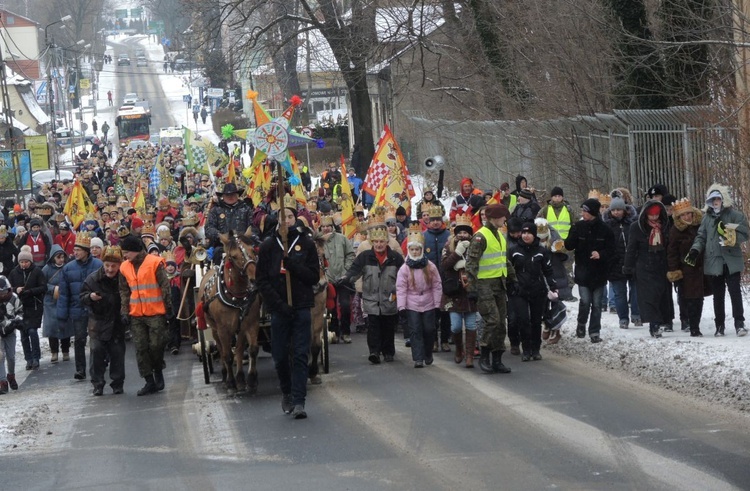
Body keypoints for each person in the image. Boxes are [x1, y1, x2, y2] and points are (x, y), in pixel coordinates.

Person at [256, 199, 320, 419]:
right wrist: (279, 305)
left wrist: (295, 266)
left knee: (301, 354)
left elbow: (313, 276)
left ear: (296, 219)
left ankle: (299, 400)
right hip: (279, 308)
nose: (286, 221)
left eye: (290, 217)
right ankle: (287, 391)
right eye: (282, 217)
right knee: (280, 356)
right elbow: (261, 281)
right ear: (276, 220)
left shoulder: (306, 243)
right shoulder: (267, 246)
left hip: (301, 305)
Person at [687, 183, 749, 336]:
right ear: (709, 201)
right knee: (718, 295)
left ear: (723, 200)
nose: (715, 203)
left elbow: (745, 232)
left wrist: (733, 238)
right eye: (712, 200)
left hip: (731, 260)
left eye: (718, 199)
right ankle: (719, 325)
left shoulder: (735, 215)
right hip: (714, 261)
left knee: (735, 292)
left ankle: (739, 323)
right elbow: (701, 237)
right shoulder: (706, 218)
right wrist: (695, 250)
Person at [341, 222, 404, 365]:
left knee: (388, 325)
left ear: (387, 242)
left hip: (390, 297)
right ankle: (374, 352)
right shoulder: (364, 256)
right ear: (372, 242)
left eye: (382, 242)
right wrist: (346, 279)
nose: (379, 244)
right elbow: (354, 271)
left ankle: (388, 351)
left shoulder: (395, 258)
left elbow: (403, 276)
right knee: (373, 326)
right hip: (371, 297)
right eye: (376, 242)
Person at [465, 203, 516, 373]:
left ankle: (497, 359)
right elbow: (471, 263)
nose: (505, 219)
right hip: (483, 285)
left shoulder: (500, 236)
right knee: (492, 320)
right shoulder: (480, 236)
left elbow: (504, 260)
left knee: (501, 323)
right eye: (503, 216)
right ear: (494, 218)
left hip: (499, 284)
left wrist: (512, 279)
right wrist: (472, 288)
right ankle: (485, 353)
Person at [119, 235, 172, 396]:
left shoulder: (154, 263)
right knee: (141, 348)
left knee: (156, 345)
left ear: (135, 250)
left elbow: (164, 286)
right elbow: (124, 291)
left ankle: (157, 370)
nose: (125, 255)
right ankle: (149, 381)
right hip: (136, 314)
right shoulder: (124, 267)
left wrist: (168, 308)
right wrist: (124, 311)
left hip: (155, 312)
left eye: (127, 252)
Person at [564, 198, 615, 343]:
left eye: (585, 211)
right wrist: (572, 232)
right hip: (583, 271)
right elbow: (568, 245)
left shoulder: (605, 229)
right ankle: (581, 324)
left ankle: (594, 331)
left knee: (597, 304)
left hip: (599, 273)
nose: (583, 214)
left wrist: (601, 254)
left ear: (592, 212)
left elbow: (612, 250)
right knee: (585, 301)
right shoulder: (578, 226)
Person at [507, 222, 557, 361]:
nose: (526, 235)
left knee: (536, 321)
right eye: (523, 233)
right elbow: (508, 270)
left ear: (534, 234)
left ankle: (536, 349)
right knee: (523, 320)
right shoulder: (514, 250)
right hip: (519, 290)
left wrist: (553, 286)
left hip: (537, 290)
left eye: (529, 233)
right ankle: (526, 349)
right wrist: (511, 286)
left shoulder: (542, 251)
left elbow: (548, 270)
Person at [81, 246, 127, 395]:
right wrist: (90, 297)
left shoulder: (123, 279)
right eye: (107, 265)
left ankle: (117, 383)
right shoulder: (93, 279)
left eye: (114, 266)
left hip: (116, 323)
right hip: (98, 323)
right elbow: (82, 296)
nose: (110, 269)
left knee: (117, 354)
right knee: (96, 352)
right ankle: (97, 384)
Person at [623, 201, 672, 338]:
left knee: (661, 295)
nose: (654, 218)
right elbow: (631, 249)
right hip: (644, 266)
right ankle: (654, 324)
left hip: (661, 266)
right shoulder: (637, 228)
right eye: (651, 215)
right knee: (649, 297)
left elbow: (670, 247)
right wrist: (628, 267)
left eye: (656, 215)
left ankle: (662, 321)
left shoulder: (665, 227)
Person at [57, 234, 102, 380]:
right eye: (74, 250)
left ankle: (100, 364)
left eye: (78, 250)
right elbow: (64, 294)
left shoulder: (98, 265)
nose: (75, 252)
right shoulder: (68, 268)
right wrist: (62, 315)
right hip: (77, 309)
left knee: (98, 340)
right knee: (79, 340)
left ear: (86, 251)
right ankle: (80, 369)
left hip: (96, 308)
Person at [397, 224, 442, 368]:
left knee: (429, 329)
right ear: (408, 250)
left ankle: (428, 353)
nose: (415, 252)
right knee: (415, 330)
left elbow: (436, 285)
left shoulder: (430, 266)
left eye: (417, 249)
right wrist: (402, 306)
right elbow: (401, 288)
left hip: (428, 301)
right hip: (412, 303)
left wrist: (437, 304)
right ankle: (418, 357)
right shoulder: (405, 268)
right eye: (412, 249)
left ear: (421, 250)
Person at [667, 199, 710, 337]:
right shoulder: (675, 230)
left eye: (688, 214)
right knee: (690, 298)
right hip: (686, 269)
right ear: (679, 217)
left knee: (700, 298)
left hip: (702, 266)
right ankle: (693, 326)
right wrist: (675, 271)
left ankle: (695, 323)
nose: (687, 217)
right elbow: (672, 252)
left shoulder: (700, 225)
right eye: (683, 215)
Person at [440, 214, 479, 368]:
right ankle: (459, 350)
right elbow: (444, 265)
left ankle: (469, 355)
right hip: (454, 291)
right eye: (460, 232)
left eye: (466, 232)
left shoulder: (476, 245)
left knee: (471, 325)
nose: (463, 235)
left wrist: (468, 263)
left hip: (470, 291)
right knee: (455, 326)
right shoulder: (448, 246)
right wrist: (457, 254)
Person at [602, 196, 640, 329]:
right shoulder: (607, 226)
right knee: (619, 293)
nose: (617, 212)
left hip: (632, 261)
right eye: (614, 210)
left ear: (624, 210)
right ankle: (623, 318)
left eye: (619, 209)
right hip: (615, 263)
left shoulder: (632, 224)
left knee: (635, 290)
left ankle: (636, 314)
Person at [8, 246, 47, 370]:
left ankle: (36, 357)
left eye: (26, 262)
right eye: (21, 262)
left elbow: (43, 287)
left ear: (30, 261)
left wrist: (30, 291)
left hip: (34, 306)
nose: (24, 264)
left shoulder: (36, 271)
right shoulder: (14, 272)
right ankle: (28, 359)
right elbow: (8, 289)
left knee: (32, 331)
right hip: (20, 308)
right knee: (23, 334)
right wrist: (16, 289)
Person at [320, 216, 355, 344]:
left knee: (345, 305)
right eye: (323, 226)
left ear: (333, 226)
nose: (325, 228)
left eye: (328, 226)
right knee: (331, 307)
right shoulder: (318, 242)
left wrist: (345, 271)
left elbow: (350, 255)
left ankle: (346, 332)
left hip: (343, 279)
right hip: (327, 280)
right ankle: (334, 332)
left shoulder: (342, 239)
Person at [422, 205, 451, 352]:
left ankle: (445, 340)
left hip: (446, 280)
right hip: (430, 281)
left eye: (438, 220)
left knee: (446, 312)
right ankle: (433, 340)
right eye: (432, 220)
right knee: (432, 313)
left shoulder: (448, 236)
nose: (435, 223)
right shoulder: (423, 237)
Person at [42, 245, 71, 363]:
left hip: (64, 300)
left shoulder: (68, 267)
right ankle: (54, 352)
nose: (61, 259)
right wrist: (53, 288)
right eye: (58, 257)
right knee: (52, 327)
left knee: (65, 325)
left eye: (62, 257)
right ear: (53, 258)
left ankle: (65, 351)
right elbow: (42, 284)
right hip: (50, 301)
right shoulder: (46, 269)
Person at [0, 275, 23, 393]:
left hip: (10, 331)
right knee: (0, 356)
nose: (3, 294)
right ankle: (2, 382)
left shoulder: (14, 298)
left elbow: (20, 311)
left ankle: (11, 375)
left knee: (11, 356)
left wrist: (16, 322)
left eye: (4, 291)